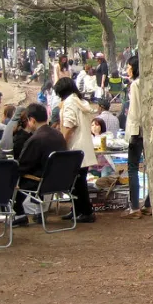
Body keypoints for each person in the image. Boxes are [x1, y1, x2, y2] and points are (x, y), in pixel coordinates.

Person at [12, 103, 70, 226]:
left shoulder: (36, 139)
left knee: (20, 176)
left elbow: (24, 164)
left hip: (41, 182)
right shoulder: (59, 135)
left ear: (32, 120)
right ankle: (39, 212)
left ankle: (19, 214)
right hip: (61, 180)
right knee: (38, 171)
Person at [53, 77, 97, 223]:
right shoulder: (80, 101)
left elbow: (69, 125)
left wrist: (61, 143)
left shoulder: (70, 102)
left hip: (74, 147)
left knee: (78, 182)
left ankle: (86, 211)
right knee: (77, 181)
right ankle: (77, 209)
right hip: (83, 147)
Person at [123, 56, 150, 218]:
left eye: (128, 67)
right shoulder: (149, 83)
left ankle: (134, 207)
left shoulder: (135, 85)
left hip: (137, 131)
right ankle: (149, 204)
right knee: (151, 168)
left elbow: (134, 111)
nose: (127, 70)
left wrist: (133, 132)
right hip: (150, 131)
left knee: (133, 168)